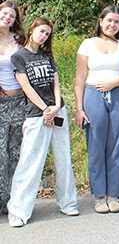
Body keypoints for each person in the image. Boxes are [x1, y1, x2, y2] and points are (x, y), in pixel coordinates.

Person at [8, 18, 78, 227]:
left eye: (47, 33)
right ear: (32, 30)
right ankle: (18, 211)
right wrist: (45, 109)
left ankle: (68, 203)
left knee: (63, 159)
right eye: (41, 31)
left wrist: (56, 106)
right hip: (37, 114)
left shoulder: (47, 55)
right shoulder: (19, 56)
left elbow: (56, 82)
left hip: (58, 112)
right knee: (30, 163)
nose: (44, 36)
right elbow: (26, 86)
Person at [74, 5, 119, 214]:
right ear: (101, 21)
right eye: (109, 20)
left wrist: (115, 83)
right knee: (96, 144)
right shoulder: (87, 44)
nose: (112, 25)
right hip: (93, 94)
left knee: (117, 146)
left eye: (117, 22)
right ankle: (99, 196)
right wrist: (79, 108)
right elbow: (79, 79)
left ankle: (113, 194)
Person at [0, 1, 26, 215]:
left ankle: (13, 201)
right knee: (1, 154)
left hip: (18, 101)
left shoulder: (20, 40)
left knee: (15, 152)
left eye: (12, 16)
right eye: (4, 13)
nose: (7, 18)